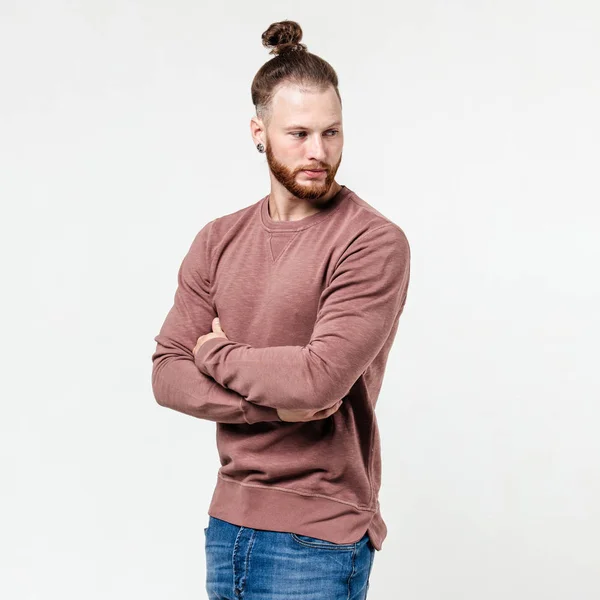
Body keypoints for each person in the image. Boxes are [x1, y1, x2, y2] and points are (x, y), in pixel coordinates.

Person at [151, 19, 411, 600]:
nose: (318, 153)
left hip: (317, 537)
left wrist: (216, 352)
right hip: (227, 526)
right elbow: (167, 373)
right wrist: (267, 406)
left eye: (332, 133)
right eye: (299, 134)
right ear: (258, 132)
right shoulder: (218, 239)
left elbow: (318, 380)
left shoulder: (370, 242)